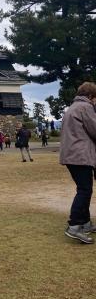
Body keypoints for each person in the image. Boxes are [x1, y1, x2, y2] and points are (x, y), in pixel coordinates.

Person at [60, 82, 96, 244]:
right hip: (80, 155)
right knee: (84, 190)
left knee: (84, 188)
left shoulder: (72, 107)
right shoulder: (85, 107)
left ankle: (86, 223)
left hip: (71, 155)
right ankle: (74, 225)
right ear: (91, 96)